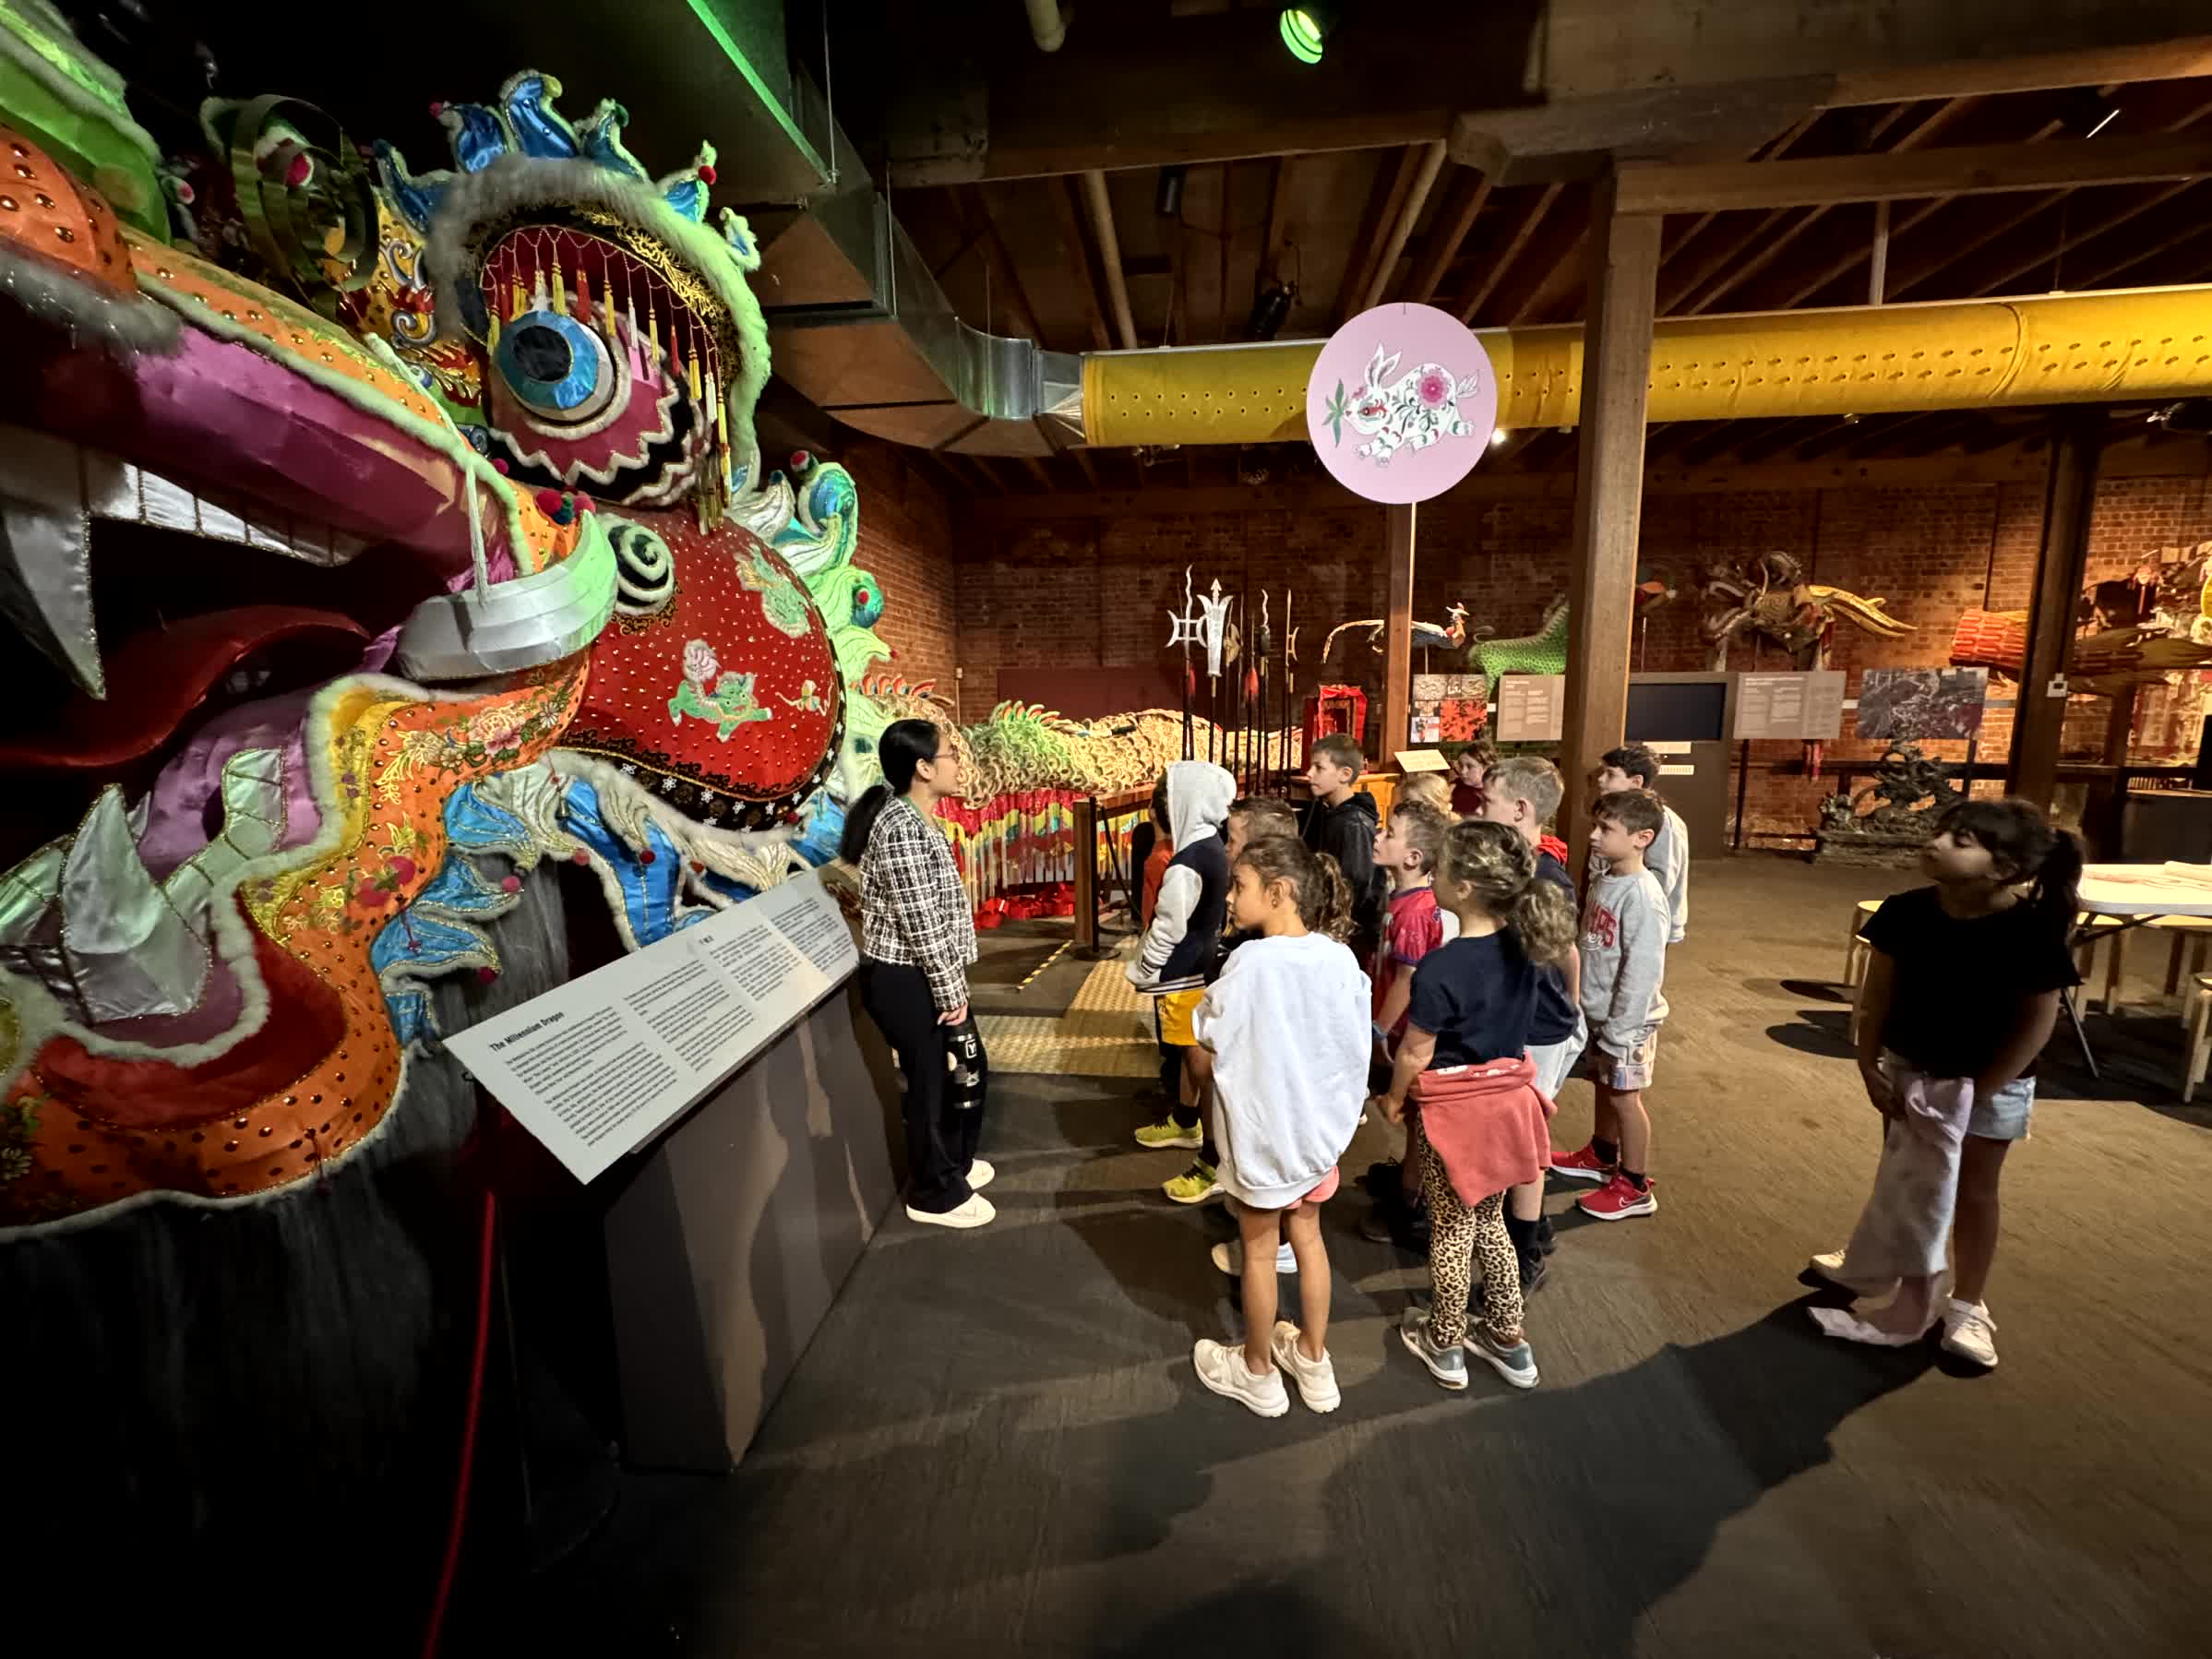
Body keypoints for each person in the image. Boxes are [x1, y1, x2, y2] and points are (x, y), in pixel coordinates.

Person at [1808, 800, 2081, 1370]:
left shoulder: (2030, 931)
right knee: (1906, 1172)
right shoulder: (1906, 912)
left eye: (1961, 840)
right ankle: (1877, 1260)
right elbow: (1876, 992)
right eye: (1942, 832)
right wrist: (1867, 1062)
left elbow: (2038, 1022)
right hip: (1910, 1069)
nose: (1937, 843)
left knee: (1976, 1190)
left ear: (2003, 868)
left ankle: (1968, 1304)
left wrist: (1979, 1092)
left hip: (1991, 1084)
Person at [1379, 820, 1576, 1391]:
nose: (1433, 876)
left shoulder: (1444, 965)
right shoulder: (1526, 949)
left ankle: (1443, 1340)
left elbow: (1416, 1052)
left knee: (1450, 1226)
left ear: (1463, 888)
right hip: (1509, 1106)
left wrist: (1393, 1100)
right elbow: (1553, 1019)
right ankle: (1508, 1337)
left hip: (1455, 1115)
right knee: (1490, 1219)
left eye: (1440, 869)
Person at [1189, 837, 1369, 1417]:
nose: (1232, 898)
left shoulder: (1252, 962)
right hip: (1318, 1138)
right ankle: (1314, 1360)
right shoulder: (1340, 957)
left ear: (1279, 892)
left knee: (1260, 1253)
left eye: (1240, 887)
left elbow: (1210, 1029)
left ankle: (1258, 1369)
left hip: (1266, 1137)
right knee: (1311, 1241)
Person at [844, 719, 993, 1229]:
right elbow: (922, 921)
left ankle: (951, 1166)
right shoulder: (901, 827)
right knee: (930, 1083)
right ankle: (932, 1193)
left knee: (949, 1075)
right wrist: (950, 988)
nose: (957, 762)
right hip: (905, 978)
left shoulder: (919, 817)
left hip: (924, 974)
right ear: (923, 768)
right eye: (950, 753)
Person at [1475, 756, 1584, 1287]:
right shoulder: (1519, 870)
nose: (1477, 810)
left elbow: (1561, 951)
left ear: (1519, 810)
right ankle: (1526, 1226)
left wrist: (1569, 1012)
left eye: (1486, 802)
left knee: (1527, 1141)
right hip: (1525, 1021)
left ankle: (1522, 1251)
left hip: (1536, 1027)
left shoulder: (1543, 879)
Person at [1170, 795, 1301, 1207]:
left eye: (1233, 841)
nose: (1224, 848)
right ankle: (1216, 1160)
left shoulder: (1265, 953)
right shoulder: (1248, 935)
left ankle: (1218, 1164)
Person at [1551, 788, 1670, 1222]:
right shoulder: (1607, 879)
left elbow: (1641, 971)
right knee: (1605, 1085)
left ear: (1643, 837)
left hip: (1628, 1022)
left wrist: (1622, 1030)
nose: (1595, 835)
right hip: (1601, 1012)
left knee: (1624, 1097)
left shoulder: (1642, 895)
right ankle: (1603, 1153)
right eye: (1596, 825)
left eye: (1607, 829)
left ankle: (1635, 1183)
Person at [1130, 761, 1237, 1193]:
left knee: (1197, 1058)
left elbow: (1168, 926)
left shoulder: (1185, 861)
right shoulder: (1211, 844)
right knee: (1186, 1048)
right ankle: (1185, 1119)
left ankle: (1210, 1159)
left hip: (1182, 974)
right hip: (1200, 965)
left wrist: (1143, 967)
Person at [1357, 801, 1458, 1253]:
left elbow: (1408, 976)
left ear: (1414, 857)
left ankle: (1412, 1201)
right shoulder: (1401, 897)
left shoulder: (1416, 910)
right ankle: (1408, 1182)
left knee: (1415, 1116)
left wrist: (1379, 1028)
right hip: (1397, 1026)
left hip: (1405, 1031)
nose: (1378, 837)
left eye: (1390, 833)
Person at [1586, 744, 1689, 943]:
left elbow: (1662, 879)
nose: (1600, 780)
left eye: (1610, 774)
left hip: (1646, 926)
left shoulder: (1663, 821)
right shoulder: (1614, 815)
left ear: (1636, 782)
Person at [1302, 734, 1385, 969]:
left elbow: (1355, 883)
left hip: (1347, 934)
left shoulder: (1354, 824)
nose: (1309, 774)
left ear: (1345, 774)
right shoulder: (1329, 813)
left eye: (1319, 768)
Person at [1451, 737, 1497, 818]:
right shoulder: (1452, 788)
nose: (1463, 771)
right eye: (1461, 766)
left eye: (1470, 766)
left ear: (1487, 766)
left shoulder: (1499, 792)